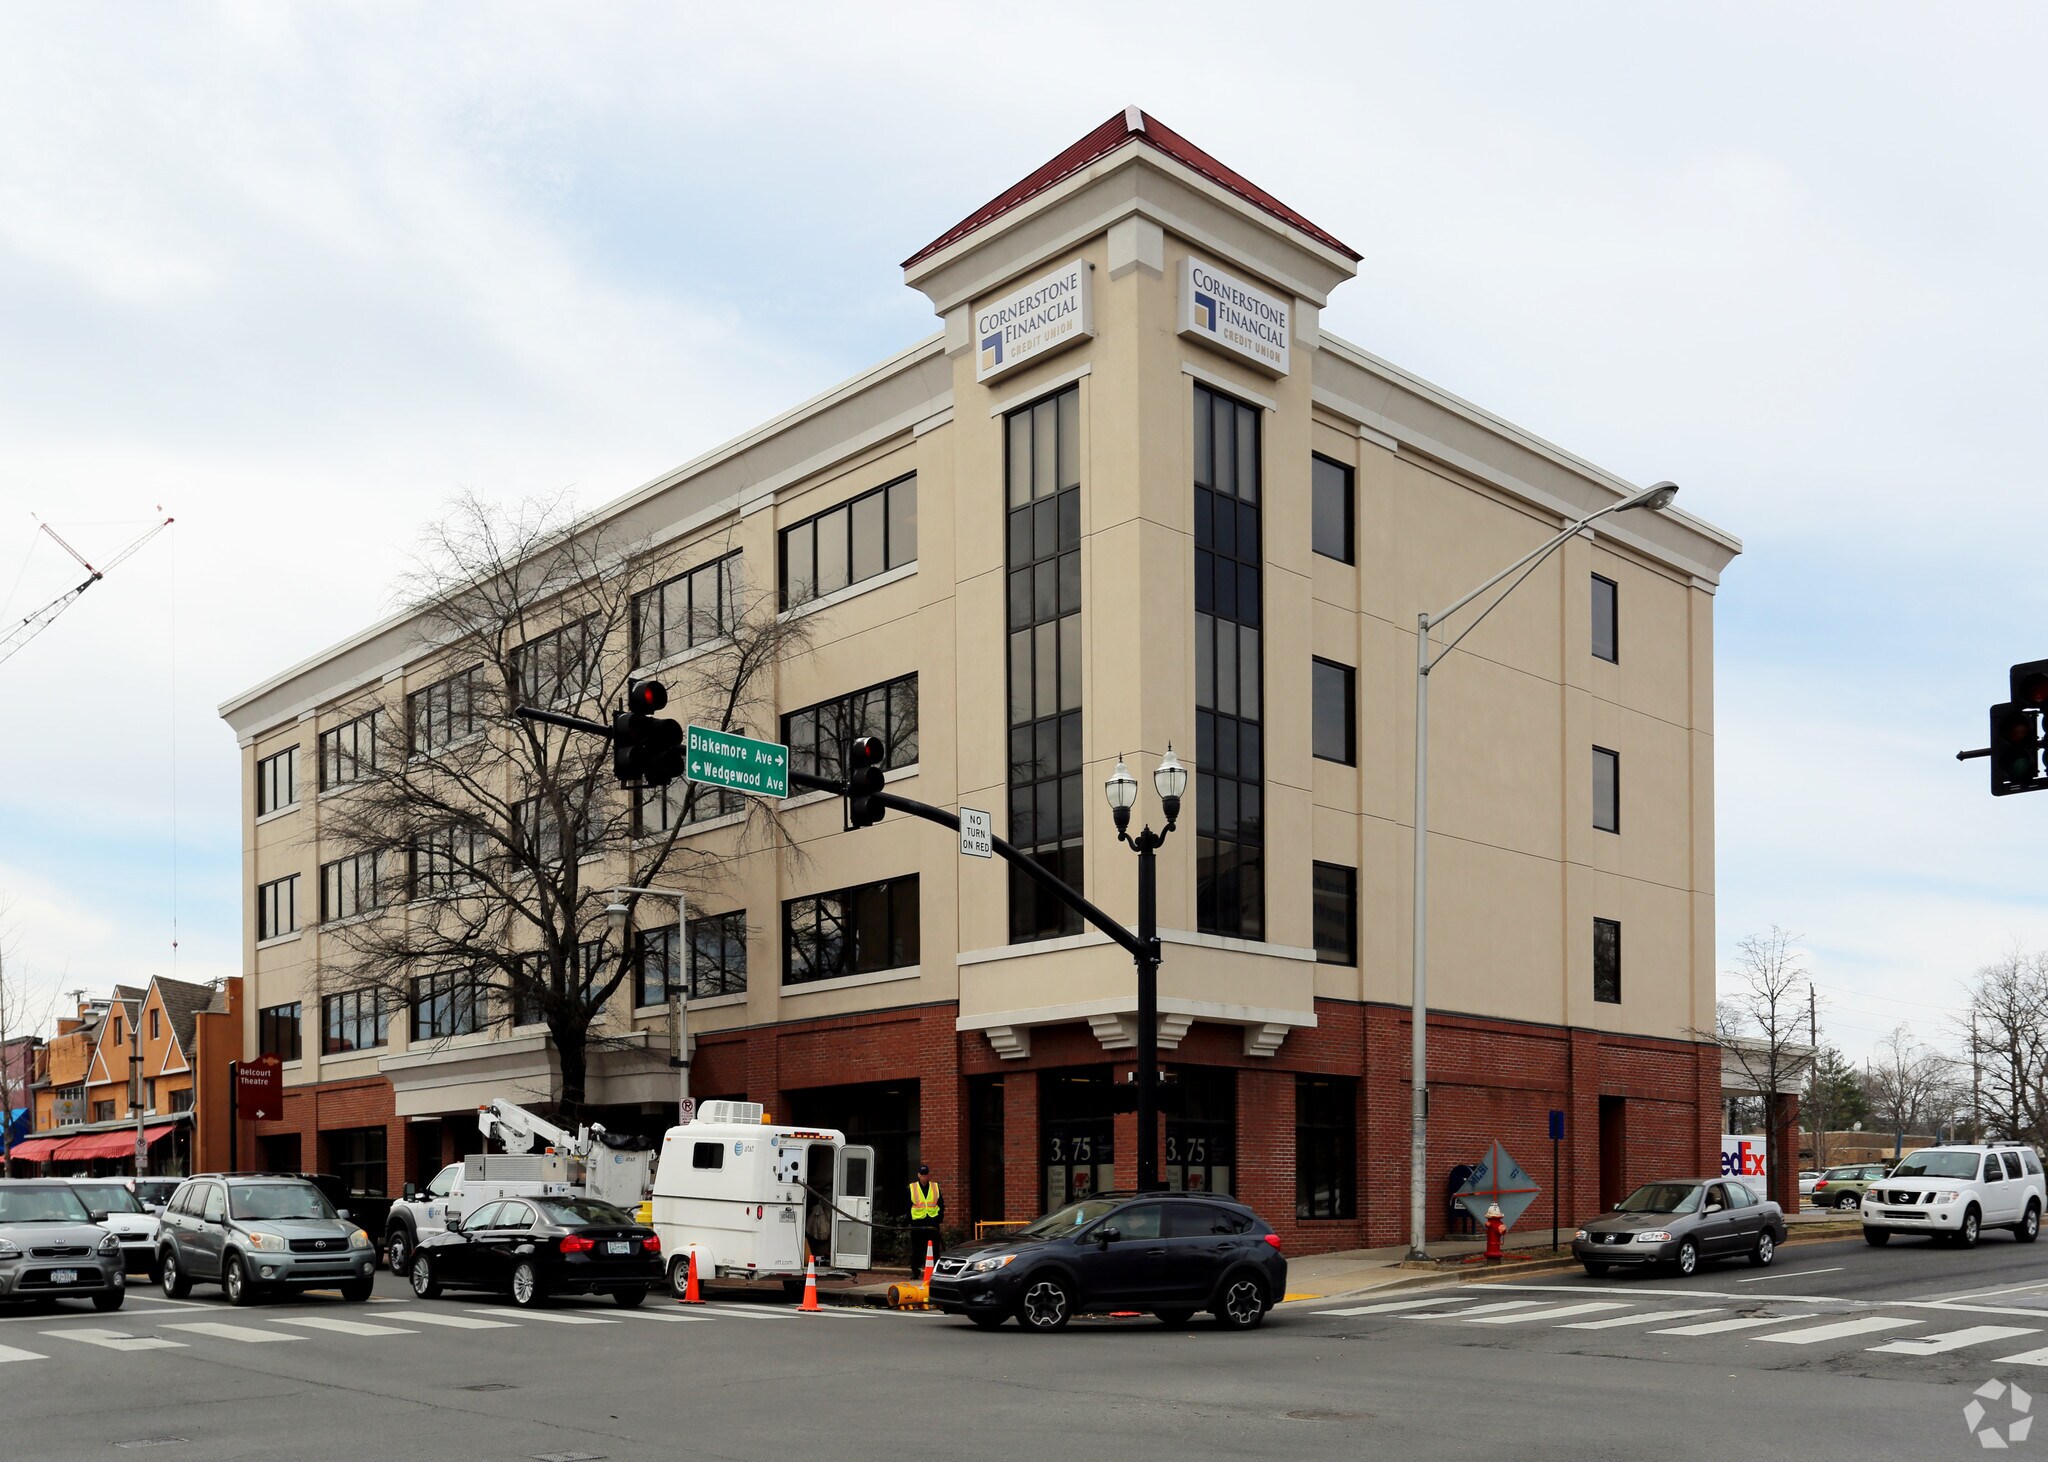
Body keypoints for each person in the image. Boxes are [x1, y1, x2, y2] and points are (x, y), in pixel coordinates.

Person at [908, 1163, 943, 1270]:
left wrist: (939, 1218)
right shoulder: (912, 1187)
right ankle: (915, 1271)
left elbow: (941, 1203)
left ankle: (935, 1271)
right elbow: (906, 1205)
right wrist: (910, 1220)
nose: (924, 1177)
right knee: (917, 1248)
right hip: (918, 1222)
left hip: (932, 1221)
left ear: (929, 1175)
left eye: (925, 1174)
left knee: (935, 1248)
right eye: (922, 1174)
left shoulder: (935, 1186)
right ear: (918, 1175)